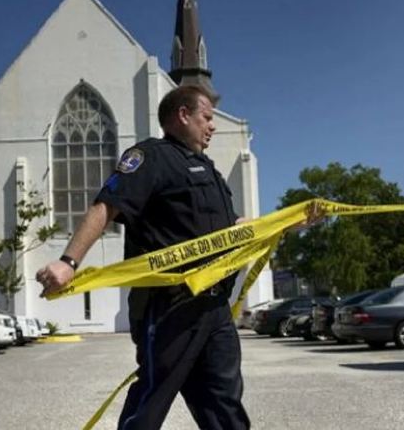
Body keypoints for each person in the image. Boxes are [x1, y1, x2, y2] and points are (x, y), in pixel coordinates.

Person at [37, 85, 250, 430]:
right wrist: (69, 261)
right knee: (150, 404)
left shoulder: (209, 170)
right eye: (206, 117)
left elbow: (234, 228)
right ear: (183, 115)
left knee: (224, 405)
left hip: (215, 310)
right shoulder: (150, 158)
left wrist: (285, 222)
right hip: (170, 307)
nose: (213, 126)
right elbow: (106, 205)